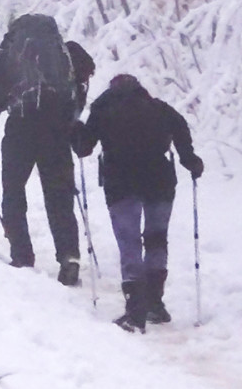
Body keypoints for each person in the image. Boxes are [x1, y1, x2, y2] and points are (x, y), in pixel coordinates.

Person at [72, 73, 204, 333]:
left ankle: (135, 308)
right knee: (156, 238)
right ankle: (156, 301)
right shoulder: (158, 107)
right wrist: (190, 159)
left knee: (129, 240)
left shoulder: (103, 109)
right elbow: (180, 127)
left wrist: (74, 128)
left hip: (121, 183)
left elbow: (84, 148)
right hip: (160, 180)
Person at [0, 14, 88, 286]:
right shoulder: (66, 53)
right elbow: (78, 91)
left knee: (13, 191)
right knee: (59, 195)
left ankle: (22, 254)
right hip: (56, 132)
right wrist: (71, 122)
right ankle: (69, 257)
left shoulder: (4, 59)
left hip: (21, 129)